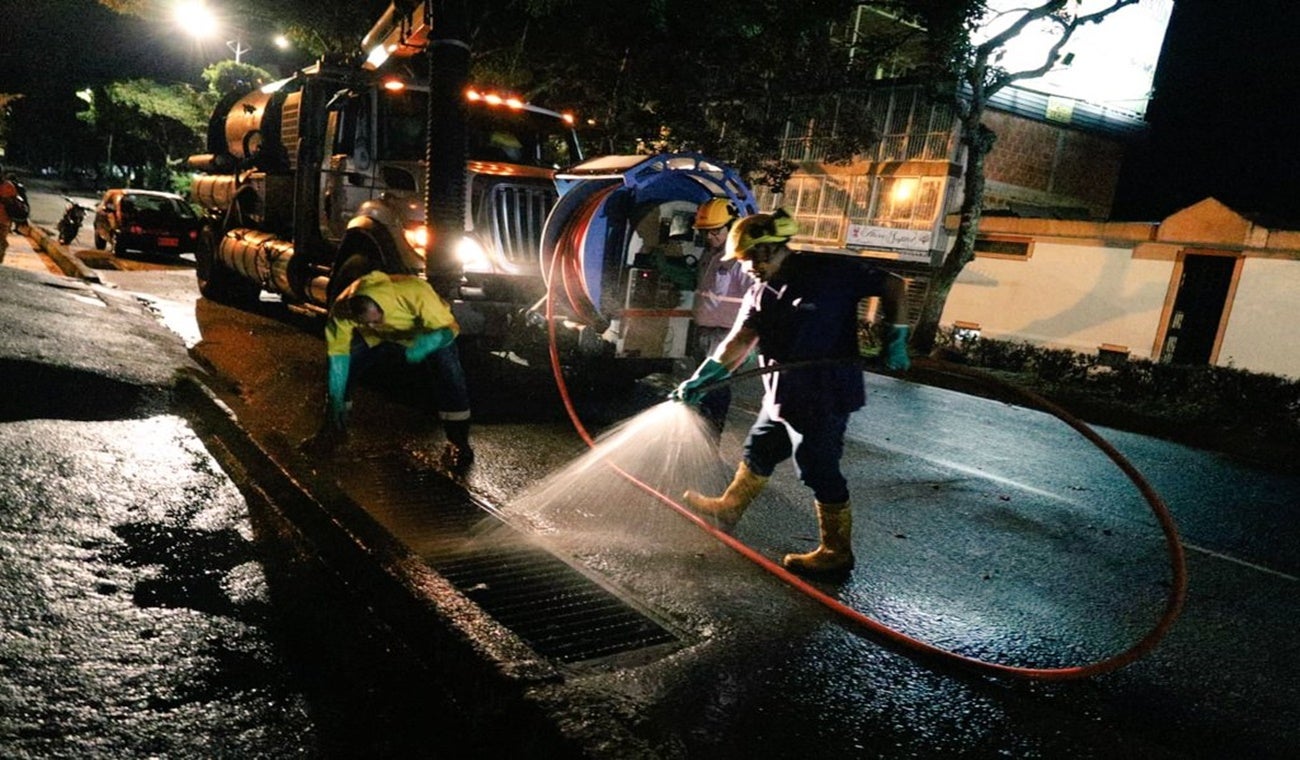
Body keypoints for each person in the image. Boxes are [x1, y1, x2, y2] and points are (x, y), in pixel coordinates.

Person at [671, 209, 911, 576]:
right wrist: (703, 378)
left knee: (817, 466)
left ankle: (836, 551)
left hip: (824, 391)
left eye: (749, 258)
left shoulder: (829, 271)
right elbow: (740, 340)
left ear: (767, 250)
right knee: (760, 447)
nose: (746, 267)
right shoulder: (759, 291)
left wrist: (896, 337)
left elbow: (894, 284)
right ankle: (729, 507)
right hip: (783, 390)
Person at [321, 270, 474, 470]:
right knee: (347, 367)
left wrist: (423, 347)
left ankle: (459, 442)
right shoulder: (343, 309)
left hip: (426, 334)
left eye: (376, 319)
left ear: (382, 307)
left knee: (448, 371)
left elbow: (449, 329)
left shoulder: (415, 293)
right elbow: (338, 359)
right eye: (366, 322)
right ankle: (333, 430)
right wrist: (335, 397)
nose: (372, 324)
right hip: (377, 338)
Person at [689, 198, 749, 437]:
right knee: (703, 386)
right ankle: (701, 434)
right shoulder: (710, 255)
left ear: (731, 227)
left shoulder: (741, 261)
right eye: (706, 232)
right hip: (704, 331)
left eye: (716, 231)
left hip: (726, 334)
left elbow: (754, 300)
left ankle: (710, 438)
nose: (710, 236)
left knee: (716, 388)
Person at [0, 168, 21, 265]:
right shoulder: (9, 186)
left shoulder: (8, 186)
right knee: (1, 241)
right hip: (5, 221)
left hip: (3, 220)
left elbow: (14, 204)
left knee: (1, 241)